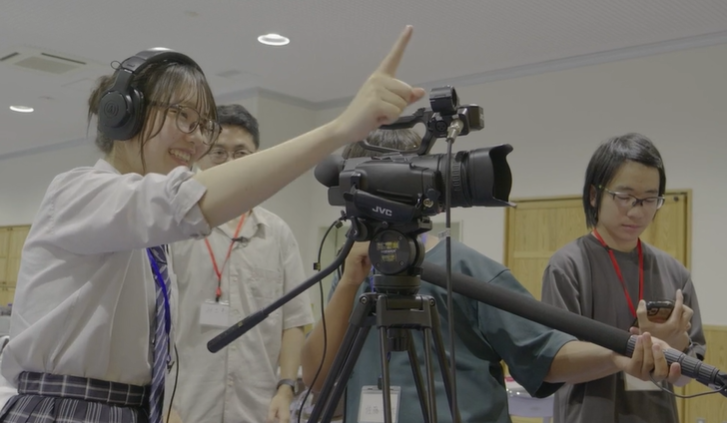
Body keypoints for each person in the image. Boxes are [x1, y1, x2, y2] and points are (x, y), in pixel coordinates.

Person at [0, 26, 427, 423]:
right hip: (67, 408)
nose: (197, 140)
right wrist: (338, 130)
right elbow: (187, 200)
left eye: (202, 125)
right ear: (123, 115)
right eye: (183, 117)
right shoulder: (78, 193)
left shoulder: (151, 236)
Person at [300, 129, 684, 423]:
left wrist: (617, 355)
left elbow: (546, 354)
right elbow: (317, 378)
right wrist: (349, 281)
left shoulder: (468, 271)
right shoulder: (356, 272)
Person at [541, 133, 706, 423]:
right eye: (625, 197)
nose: (637, 211)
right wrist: (625, 353)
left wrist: (675, 348)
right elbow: (554, 364)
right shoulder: (567, 266)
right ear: (594, 195)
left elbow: (685, 376)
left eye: (649, 199)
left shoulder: (674, 272)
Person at [169, 104, 313, 423]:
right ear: (200, 156)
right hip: (185, 406)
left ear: (256, 157)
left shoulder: (276, 233)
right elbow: (155, 322)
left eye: (241, 153)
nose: (230, 163)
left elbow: (294, 320)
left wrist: (286, 389)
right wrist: (165, 403)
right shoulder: (174, 229)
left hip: (258, 408)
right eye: (219, 152)